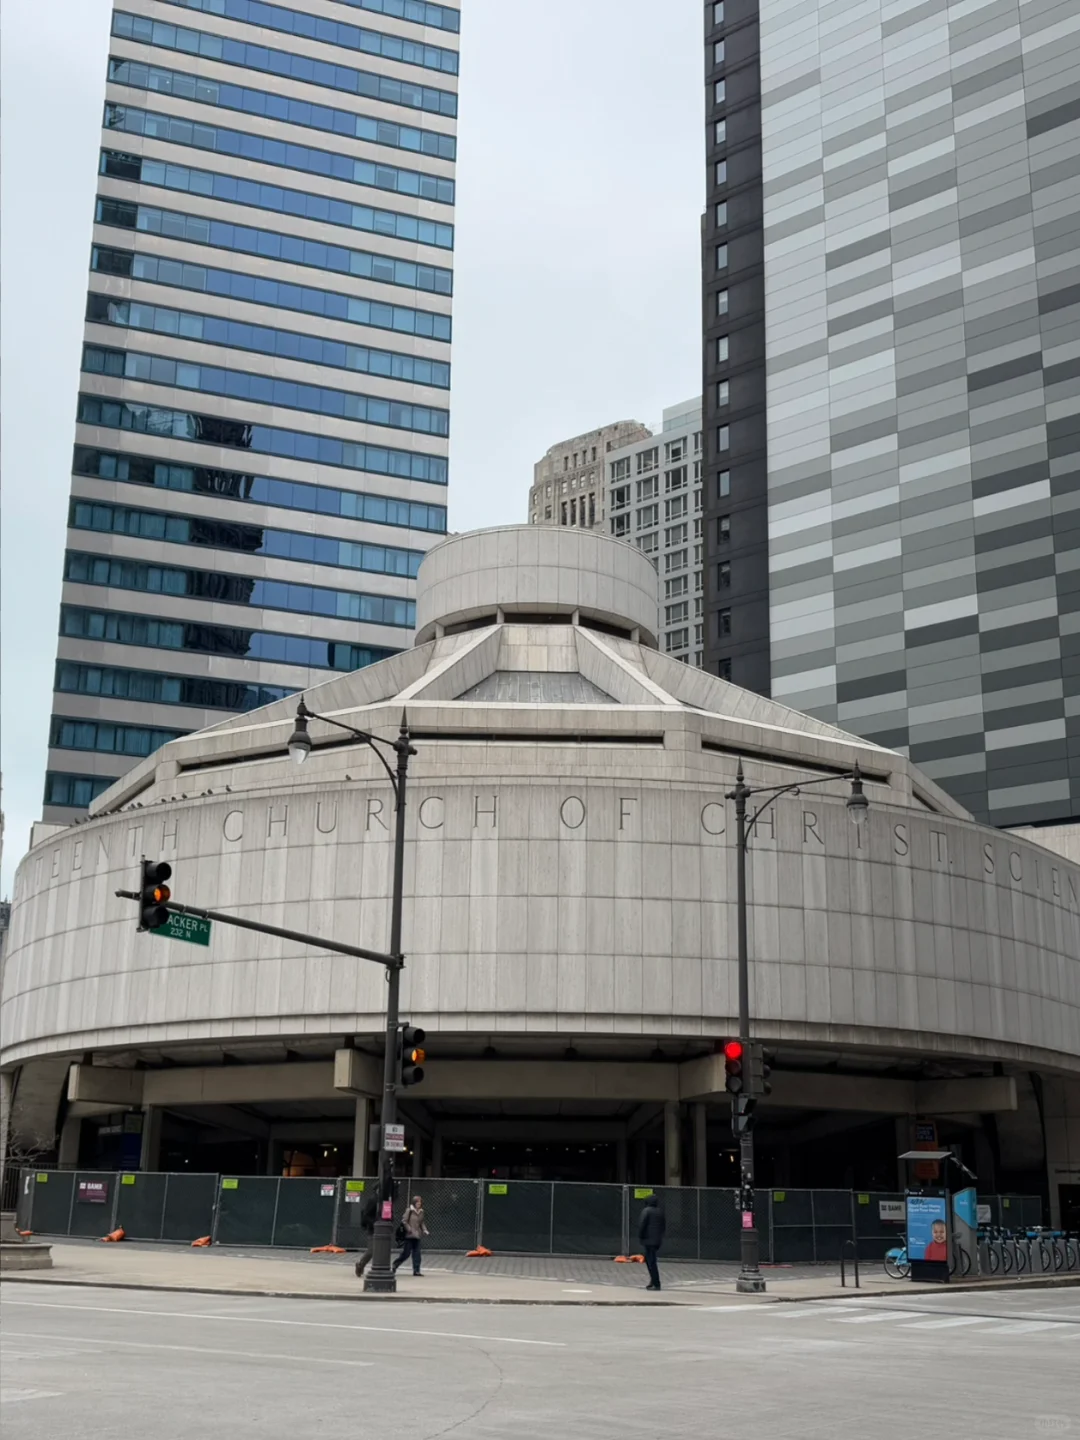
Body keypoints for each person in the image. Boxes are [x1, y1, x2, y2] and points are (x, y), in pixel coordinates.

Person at [392, 1194, 429, 1276]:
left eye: (420, 1202)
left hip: (417, 1235)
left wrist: (425, 1230)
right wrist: (409, 1229)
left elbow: (421, 1222)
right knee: (406, 1253)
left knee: (417, 1254)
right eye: (417, 1202)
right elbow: (404, 1221)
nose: (419, 1204)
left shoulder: (421, 1212)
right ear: (414, 1203)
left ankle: (416, 1270)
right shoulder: (409, 1210)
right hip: (409, 1235)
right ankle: (395, 1264)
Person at [637, 1194, 666, 1292]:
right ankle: (652, 1281)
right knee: (651, 1260)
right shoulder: (660, 1212)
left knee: (651, 1262)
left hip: (648, 1239)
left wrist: (640, 1236)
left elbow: (642, 1225)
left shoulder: (646, 1211)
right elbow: (663, 1226)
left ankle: (656, 1283)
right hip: (657, 1240)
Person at [354, 1192, 378, 1278]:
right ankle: (361, 1264)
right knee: (372, 1250)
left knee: (380, 1250)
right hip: (373, 1228)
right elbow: (366, 1215)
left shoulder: (385, 1199)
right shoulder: (373, 1200)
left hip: (381, 1228)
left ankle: (376, 1268)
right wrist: (373, 1223)